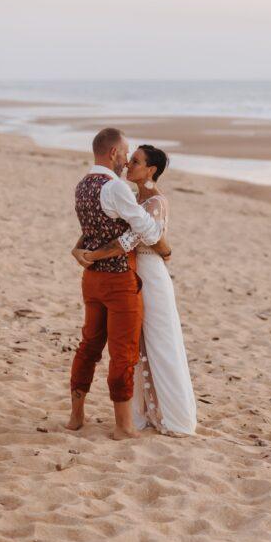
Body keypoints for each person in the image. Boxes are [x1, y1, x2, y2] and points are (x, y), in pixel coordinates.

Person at [72, 144, 197, 436]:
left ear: (151, 170)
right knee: (138, 345)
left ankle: (173, 415)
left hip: (150, 276)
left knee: (159, 342)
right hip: (130, 274)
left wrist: (90, 255)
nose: (129, 164)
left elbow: (131, 240)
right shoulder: (131, 199)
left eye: (137, 161)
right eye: (130, 158)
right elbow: (107, 228)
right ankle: (145, 412)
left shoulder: (155, 202)